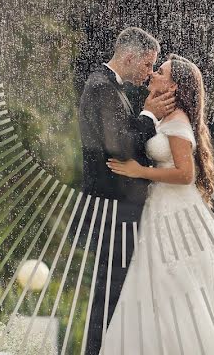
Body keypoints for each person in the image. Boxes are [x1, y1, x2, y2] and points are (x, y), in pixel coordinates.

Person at [101, 54, 214, 354]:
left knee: (175, 285)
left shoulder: (177, 121)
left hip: (177, 215)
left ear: (175, 86)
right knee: (153, 286)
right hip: (160, 209)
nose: (153, 74)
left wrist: (140, 172)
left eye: (160, 71)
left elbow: (186, 175)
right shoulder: (165, 119)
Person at [77, 27, 174, 355]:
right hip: (112, 211)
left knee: (114, 291)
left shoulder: (106, 86)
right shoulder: (102, 86)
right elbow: (118, 145)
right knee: (110, 293)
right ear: (130, 57)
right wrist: (149, 115)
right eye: (148, 66)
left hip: (116, 209)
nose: (149, 74)